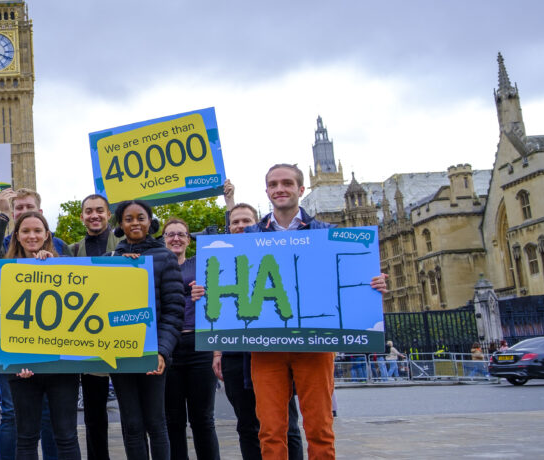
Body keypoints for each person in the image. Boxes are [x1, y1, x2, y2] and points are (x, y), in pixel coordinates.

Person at [243, 164, 388, 460]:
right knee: (270, 431)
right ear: (267, 191)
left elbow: (350, 276)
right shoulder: (248, 235)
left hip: (316, 342)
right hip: (266, 344)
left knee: (319, 428)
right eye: (273, 184)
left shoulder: (327, 232)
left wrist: (372, 282)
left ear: (301, 189)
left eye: (286, 183)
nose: (279, 189)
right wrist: (204, 291)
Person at [213, 196, 304, 460]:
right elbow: (216, 310)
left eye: (246, 221)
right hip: (236, 353)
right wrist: (217, 352)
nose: (240, 226)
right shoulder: (219, 257)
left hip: (275, 349)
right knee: (247, 425)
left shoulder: (277, 251)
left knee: (286, 423)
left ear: (257, 225)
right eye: (235, 222)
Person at [0, 187, 59, 460]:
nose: (23, 212)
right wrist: (1, 215)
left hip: (51, 347)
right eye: (18, 208)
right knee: (11, 413)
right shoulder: (6, 250)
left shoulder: (59, 248)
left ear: (41, 214)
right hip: (14, 344)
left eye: (28, 207)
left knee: (48, 414)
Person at [108, 200, 184, 460]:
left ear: (150, 221)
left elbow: (174, 312)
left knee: (155, 423)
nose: (135, 223)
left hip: (153, 353)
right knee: (131, 426)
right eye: (128, 219)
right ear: (121, 225)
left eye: (140, 217)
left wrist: (161, 352)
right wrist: (122, 268)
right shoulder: (111, 259)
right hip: (120, 354)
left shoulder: (165, 257)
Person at [6, 212, 82, 460]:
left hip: (62, 368)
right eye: (25, 231)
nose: (32, 236)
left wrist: (53, 266)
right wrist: (16, 360)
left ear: (47, 235)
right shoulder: (3, 271)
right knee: (27, 439)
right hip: (22, 369)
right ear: (16, 236)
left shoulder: (65, 266)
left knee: (67, 437)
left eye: (37, 230)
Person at [66, 193, 122, 460]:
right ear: (82, 217)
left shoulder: (126, 244)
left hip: (126, 340)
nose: (94, 215)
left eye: (99, 210)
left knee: (135, 419)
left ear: (108, 214)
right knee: (94, 418)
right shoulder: (73, 250)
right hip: (90, 345)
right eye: (89, 211)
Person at [161, 217, 219, 460]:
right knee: (173, 420)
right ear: (163, 240)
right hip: (170, 347)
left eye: (181, 234)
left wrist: (207, 291)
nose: (176, 238)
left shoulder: (202, 264)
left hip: (199, 344)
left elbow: (219, 295)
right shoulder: (155, 268)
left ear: (188, 239)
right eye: (170, 234)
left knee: (203, 418)